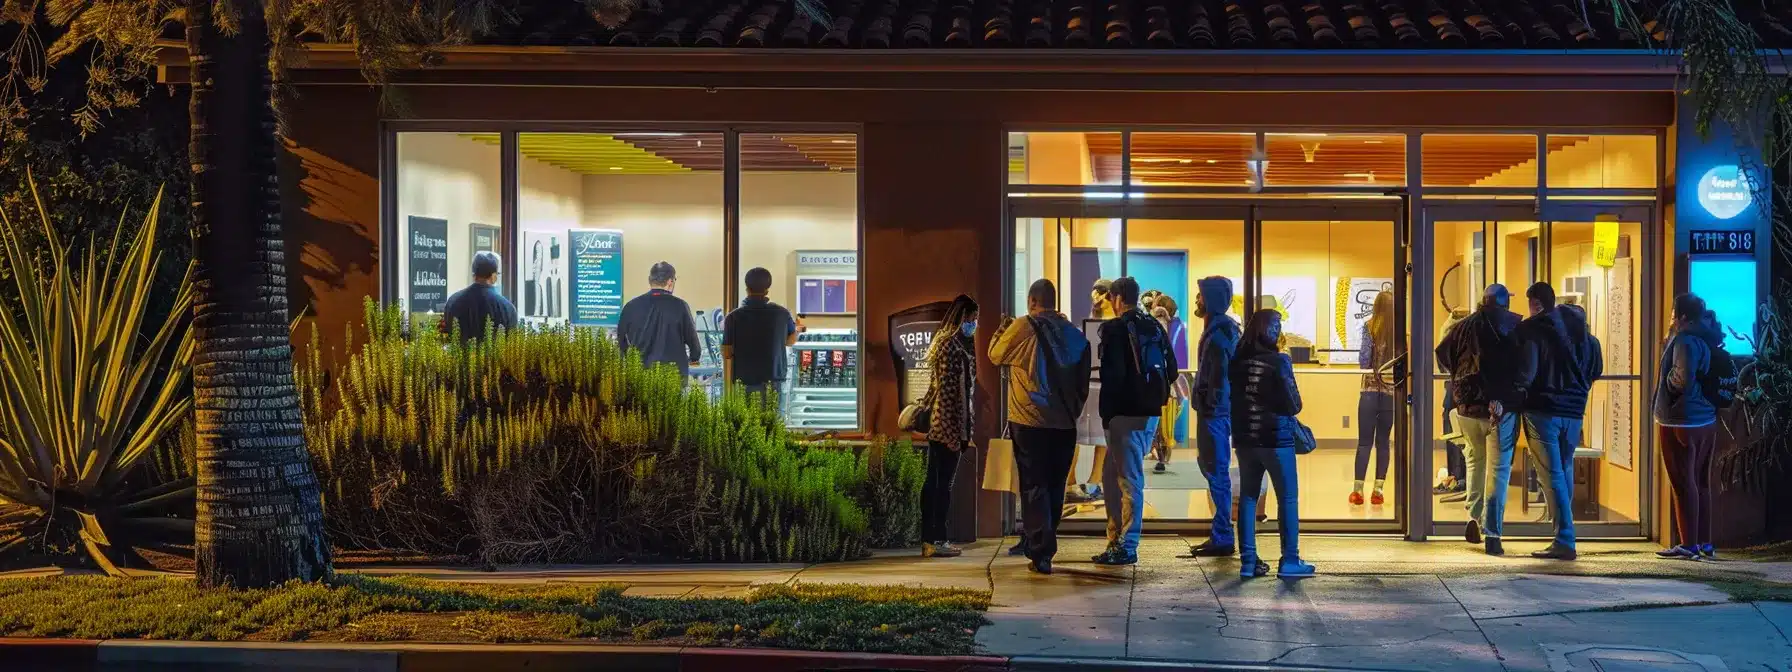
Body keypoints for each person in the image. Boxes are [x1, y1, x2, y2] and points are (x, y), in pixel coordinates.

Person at [990, 279, 1092, 575]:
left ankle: (1041, 550)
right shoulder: (1073, 333)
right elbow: (1083, 377)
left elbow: (995, 355)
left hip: (1028, 419)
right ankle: (1047, 538)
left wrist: (1000, 330)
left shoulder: (1023, 327)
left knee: (1033, 485)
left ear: (1032, 301)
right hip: (1063, 423)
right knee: (1055, 485)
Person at [1514, 284, 1603, 561]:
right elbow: (1596, 371)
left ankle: (1565, 538)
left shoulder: (1537, 333)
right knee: (1563, 469)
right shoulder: (1590, 341)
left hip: (1543, 411)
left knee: (1550, 475)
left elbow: (1527, 373)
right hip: (1575, 413)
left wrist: (1515, 392)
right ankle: (1564, 533)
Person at [1093, 277, 1176, 566]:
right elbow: (1173, 369)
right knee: (1114, 477)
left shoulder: (1115, 329)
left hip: (1122, 414)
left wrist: (1108, 412)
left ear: (1116, 298)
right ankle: (1115, 540)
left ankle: (1127, 546)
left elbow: (1111, 375)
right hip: (1150, 411)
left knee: (1128, 481)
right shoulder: (1154, 325)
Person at [1436, 284, 1523, 556]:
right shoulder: (1513, 326)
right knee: (1498, 470)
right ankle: (1493, 533)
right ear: (1503, 303)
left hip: (1465, 408)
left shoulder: (1463, 326)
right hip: (1499, 410)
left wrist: (1459, 382)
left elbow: (1442, 353)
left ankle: (1473, 517)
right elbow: (1517, 366)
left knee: (1474, 460)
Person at [1230, 309, 1315, 578]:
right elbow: (1294, 405)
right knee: (1287, 498)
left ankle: (1248, 561)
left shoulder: (1237, 361)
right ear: (1270, 330)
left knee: (1248, 497)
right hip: (1276, 439)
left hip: (1245, 438)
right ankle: (1290, 560)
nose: (1280, 331)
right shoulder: (1280, 362)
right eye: (1277, 326)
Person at [1654, 294, 1720, 561]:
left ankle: (1688, 544)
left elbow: (1681, 379)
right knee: (1701, 482)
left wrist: (1667, 385)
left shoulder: (1683, 340)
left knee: (1682, 483)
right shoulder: (1707, 336)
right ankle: (1704, 542)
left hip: (1680, 419)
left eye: (1673, 313)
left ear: (1681, 316)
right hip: (1706, 417)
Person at [921, 294, 979, 558]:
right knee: (940, 485)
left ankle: (931, 539)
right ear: (962, 317)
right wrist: (955, 432)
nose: (974, 324)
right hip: (947, 426)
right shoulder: (952, 346)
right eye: (972, 319)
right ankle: (935, 539)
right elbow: (948, 391)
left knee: (937, 483)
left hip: (946, 425)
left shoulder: (951, 343)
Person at [1189, 277, 1241, 558]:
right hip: (1216, 410)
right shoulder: (1220, 328)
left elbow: (1219, 374)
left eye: (1200, 295)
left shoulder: (1220, 332)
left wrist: (1207, 399)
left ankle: (1222, 535)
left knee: (1216, 471)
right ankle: (1221, 532)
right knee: (1213, 469)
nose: (1197, 300)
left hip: (1215, 412)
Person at [722, 267, 803, 409]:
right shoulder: (782, 314)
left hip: (744, 381)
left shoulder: (733, 317)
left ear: (747, 289)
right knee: (771, 424)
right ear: (767, 290)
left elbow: (727, 352)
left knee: (745, 424)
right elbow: (790, 341)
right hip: (773, 379)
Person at [1069, 278, 1117, 504]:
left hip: (1096, 385)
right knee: (1086, 435)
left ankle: (1089, 481)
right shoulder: (1096, 327)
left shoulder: (1099, 327)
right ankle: (1081, 481)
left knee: (1098, 436)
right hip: (1093, 385)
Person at [617, 261, 703, 378]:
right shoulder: (680, 306)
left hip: (641, 377)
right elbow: (695, 346)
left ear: (649, 280)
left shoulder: (631, 306)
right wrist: (693, 359)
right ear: (670, 282)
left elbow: (621, 342)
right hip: (673, 378)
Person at [1351, 291, 1397, 507]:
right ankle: (1378, 490)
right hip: (1390, 392)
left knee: (1364, 442)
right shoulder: (1400, 332)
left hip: (1369, 391)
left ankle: (1357, 490)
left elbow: (1363, 361)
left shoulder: (1369, 327)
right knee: (1383, 443)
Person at [438, 251, 518, 342]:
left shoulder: (453, 301)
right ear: (494, 276)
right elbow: (512, 345)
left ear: (474, 275)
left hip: (459, 356)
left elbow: (448, 335)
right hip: (495, 356)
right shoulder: (507, 307)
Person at [1152, 295, 1192, 474]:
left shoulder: (1171, 327)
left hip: (1164, 383)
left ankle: (1162, 455)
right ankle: (1161, 454)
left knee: (1162, 424)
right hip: (1168, 382)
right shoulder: (1177, 327)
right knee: (1162, 424)